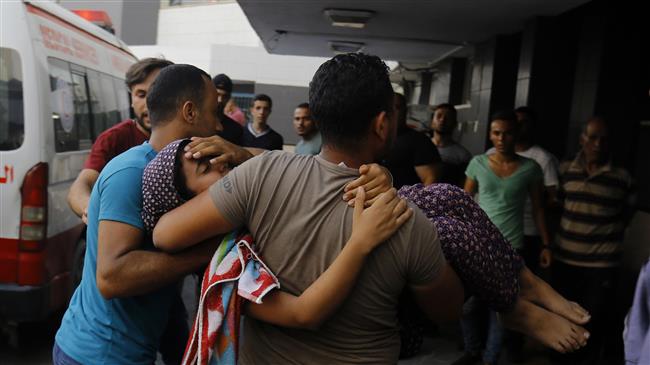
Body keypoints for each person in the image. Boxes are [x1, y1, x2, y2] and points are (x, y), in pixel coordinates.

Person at [152, 54, 590, 364]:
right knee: (448, 218)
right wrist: (362, 241)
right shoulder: (398, 220)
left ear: (318, 116)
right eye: (204, 167)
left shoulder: (258, 178)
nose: (217, 163)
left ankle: (521, 289)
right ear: (383, 124)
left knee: (447, 200)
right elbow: (445, 311)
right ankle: (517, 296)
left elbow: (165, 234)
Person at [53, 64, 254, 365]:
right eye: (214, 111)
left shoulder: (172, 173)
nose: (220, 126)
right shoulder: (132, 171)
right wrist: (213, 251)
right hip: (97, 354)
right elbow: (112, 277)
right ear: (189, 112)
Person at [457, 110, 553, 365]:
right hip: (478, 244)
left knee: (501, 310)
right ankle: (472, 351)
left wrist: (545, 244)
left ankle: (489, 359)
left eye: (507, 133)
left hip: (511, 248)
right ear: (490, 134)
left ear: (516, 134)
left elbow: (538, 208)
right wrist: (460, 237)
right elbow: (464, 202)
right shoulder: (477, 163)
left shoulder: (530, 168)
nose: (501, 138)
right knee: (467, 306)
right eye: (497, 133)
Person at [553, 116, 634, 364]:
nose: (598, 144)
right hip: (565, 259)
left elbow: (626, 215)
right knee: (562, 317)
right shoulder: (566, 170)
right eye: (593, 138)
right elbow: (556, 208)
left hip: (601, 266)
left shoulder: (622, 177)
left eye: (604, 139)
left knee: (593, 319)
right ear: (582, 140)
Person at [67, 58, 173, 224]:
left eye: (156, 93)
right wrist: (92, 211)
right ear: (131, 98)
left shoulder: (189, 138)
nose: (149, 102)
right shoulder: (113, 138)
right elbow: (81, 185)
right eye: (141, 94)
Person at [383, 92, 440, 188]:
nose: (391, 111)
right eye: (387, 107)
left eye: (396, 107)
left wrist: (413, 203)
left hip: (405, 201)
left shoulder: (420, 141)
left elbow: (430, 180)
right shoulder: (374, 139)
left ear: (405, 111)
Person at [430, 103, 472, 186]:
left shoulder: (463, 156)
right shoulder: (420, 148)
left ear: (455, 123)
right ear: (432, 121)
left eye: (448, 117)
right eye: (439, 116)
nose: (442, 120)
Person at [212, 73, 244, 145]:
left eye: (225, 96)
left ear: (229, 98)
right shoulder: (195, 122)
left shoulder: (236, 129)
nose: (220, 100)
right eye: (217, 94)